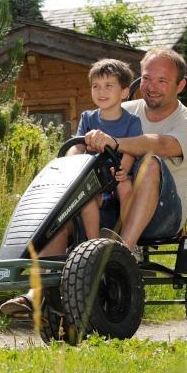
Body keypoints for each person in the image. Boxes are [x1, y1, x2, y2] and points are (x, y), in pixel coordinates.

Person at [0, 47, 187, 318]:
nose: (151, 86)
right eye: (147, 78)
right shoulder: (120, 109)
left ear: (179, 86)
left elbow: (162, 145)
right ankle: (38, 293)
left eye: (162, 80)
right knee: (63, 211)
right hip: (109, 204)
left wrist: (115, 142)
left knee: (151, 162)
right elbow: (83, 141)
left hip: (162, 214)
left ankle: (123, 254)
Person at [73, 59, 142, 240]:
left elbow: (131, 151)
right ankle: (93, 244)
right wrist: (70, 161)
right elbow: (77, 147)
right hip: (94, 177)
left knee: (125, 187)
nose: (101, 91)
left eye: (108, 86)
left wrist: (123, 170)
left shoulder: (132, 121)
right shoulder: (87, 118)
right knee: (86, 198)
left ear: (124, 92)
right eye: (95, 86)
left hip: (119, 175)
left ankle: (128, 240)